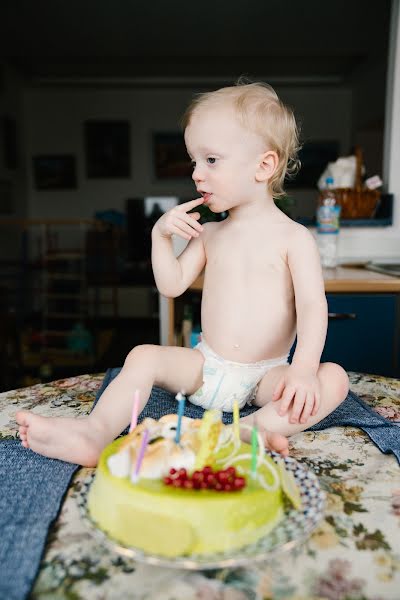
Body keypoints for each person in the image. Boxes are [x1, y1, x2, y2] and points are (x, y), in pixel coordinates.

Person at [16, 81, 349, 466]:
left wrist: (304, 371)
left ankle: (243, 432)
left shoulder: (295, 238)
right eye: (194, 160)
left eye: (211, 160)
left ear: (264, 165)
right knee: (142, 355)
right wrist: (159, 237)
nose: (196, 174)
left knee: (334, 378)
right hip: (205, 368)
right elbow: (171, 286)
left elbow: (312, 306)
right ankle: (95, 432)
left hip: (265, 377)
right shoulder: (210, 234)